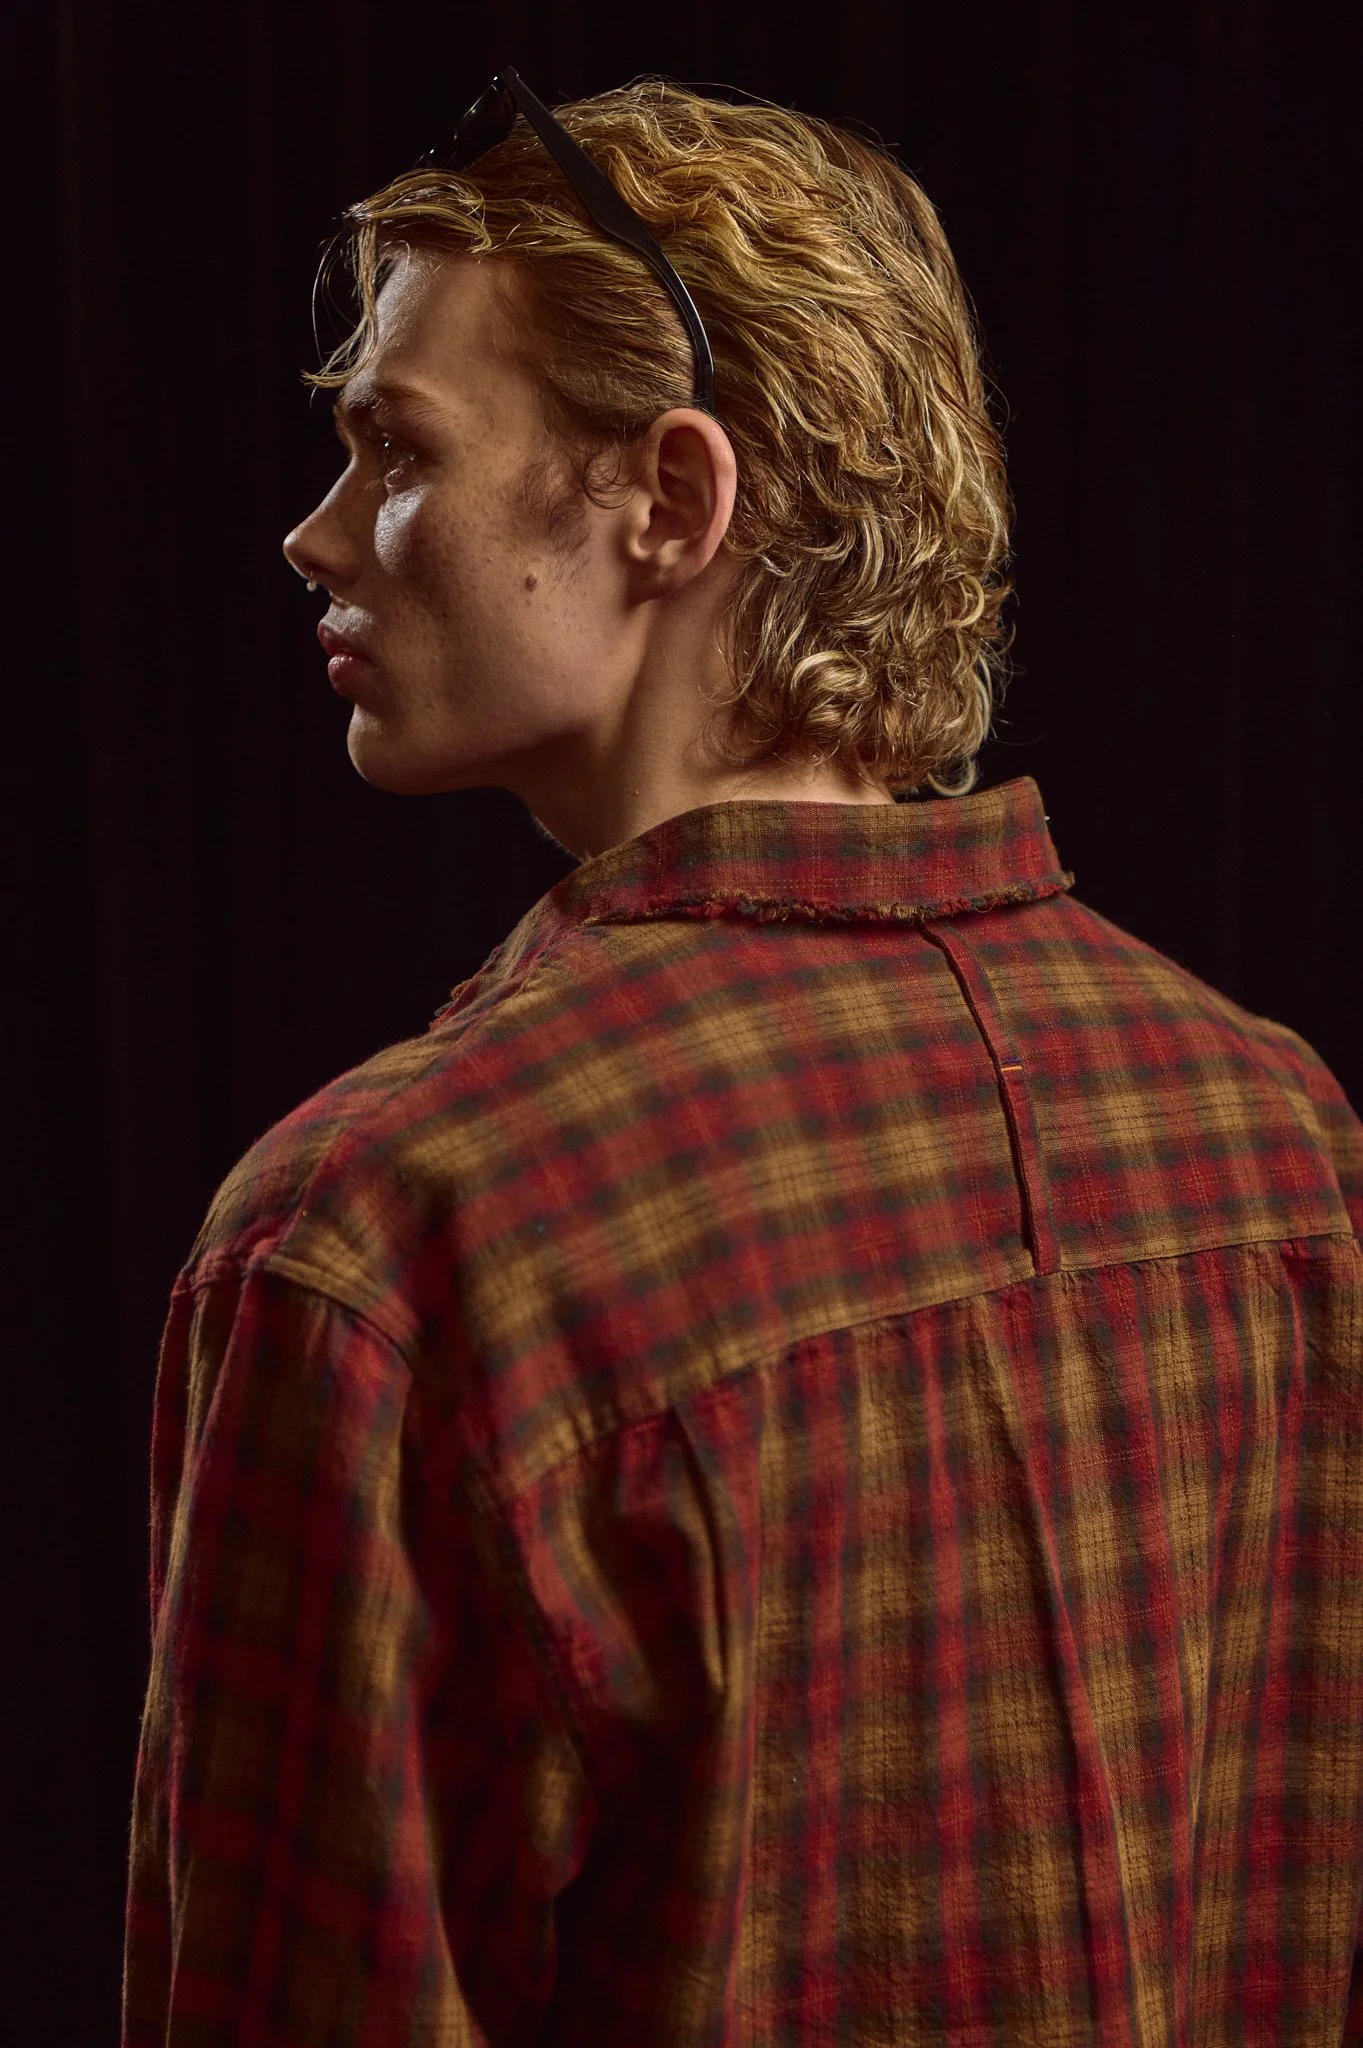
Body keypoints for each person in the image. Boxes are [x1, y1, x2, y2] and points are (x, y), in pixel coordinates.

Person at [121, 72, 1363, 2048]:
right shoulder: (1275, 1138)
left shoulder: (387, 1248)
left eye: (393, 448)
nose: (316, 531)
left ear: (671, 503)